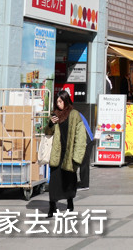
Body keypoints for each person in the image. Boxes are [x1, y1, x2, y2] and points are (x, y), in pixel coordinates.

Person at [45, 90, 87, 218]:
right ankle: (52, 206)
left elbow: (81, 137)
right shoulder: (55, 115)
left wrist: (77, 156)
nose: (58, 104)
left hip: (69, 154)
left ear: (66, 101)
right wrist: (50, 124)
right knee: (54, 182)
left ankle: (70, 202)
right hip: (57, 153)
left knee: (69, 180)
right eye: (57, 102)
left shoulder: (74, 115)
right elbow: (48, 132)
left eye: (60, 101)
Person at [78, 109, 93, 189]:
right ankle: (83, 182)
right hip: (86, 141)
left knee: (84, 163)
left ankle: (84, 184)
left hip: (87, 141)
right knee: (83, 163)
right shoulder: (76, 113)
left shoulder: (75, 115)